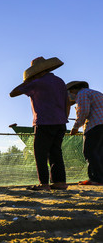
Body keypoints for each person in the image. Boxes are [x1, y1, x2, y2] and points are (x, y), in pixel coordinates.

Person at [10, 57, 69, 190]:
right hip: (60, 121)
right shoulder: (60, 81)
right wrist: (64, 117)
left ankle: (44, 184)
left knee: (40, 153)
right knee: (56, 152)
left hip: (44, 121)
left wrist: (28, 81)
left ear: (36, 71)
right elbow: (67, 103)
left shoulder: (37, 82)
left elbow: (13, 93)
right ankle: (60, 182)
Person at [67, 81, 103, 185]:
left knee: (89, 152)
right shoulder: (96, 93)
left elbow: (83, 111)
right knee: (100, 153)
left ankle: (96, 179)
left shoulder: (82, 94)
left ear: (74, 89)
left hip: (94, 125)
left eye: (70, 91)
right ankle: (99, 178)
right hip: (100, 125)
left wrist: (75, 127)